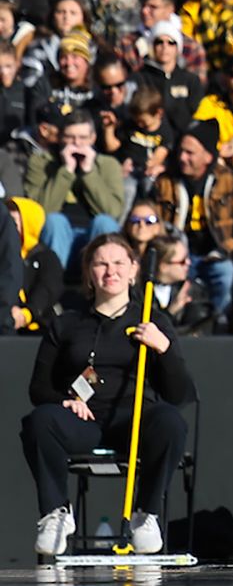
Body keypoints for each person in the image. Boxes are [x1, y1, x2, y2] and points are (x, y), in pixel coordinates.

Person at [23, 234, 188, 560]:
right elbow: (38, 389)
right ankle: (56, 514)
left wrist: (163, 348)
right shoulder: (67, 323)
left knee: (171, 422)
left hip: (136, 420)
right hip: (84, 422)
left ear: (133, 270)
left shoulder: (152, 320)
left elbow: (179, 393)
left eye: (118, 263)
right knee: (39, 421)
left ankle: (146, 514)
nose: (109, 271)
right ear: (88, 272)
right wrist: (63, 402)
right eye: (100, 263)